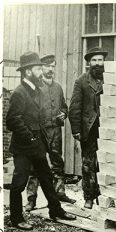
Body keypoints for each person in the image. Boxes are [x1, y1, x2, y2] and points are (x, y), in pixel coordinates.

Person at [6, 51, 76, 231]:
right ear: (28, 72)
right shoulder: (19, 93)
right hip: (23, 147)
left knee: (46, 178)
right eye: (38, 69)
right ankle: (16, 218)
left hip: (37, 144)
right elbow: (13, 120)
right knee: (19, 183)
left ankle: (55, 210)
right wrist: (30, 136)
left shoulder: (36, 90)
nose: (41, 72)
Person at [25, 54, 76, 212]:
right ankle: (31, 199)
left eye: (53, 66)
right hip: (40, 131)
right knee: (35, 165)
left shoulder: (58, 87)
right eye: (47, 66)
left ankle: (59, 192)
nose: (50, 69)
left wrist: (63, 113)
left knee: (57, 163)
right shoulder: (35, 87)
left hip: (55, 131)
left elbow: (64, 107)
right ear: (41, 68)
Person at [69, 47, 107, 209]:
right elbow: (74, 108)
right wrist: (76, 130)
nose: (98, 63)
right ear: (89, 63)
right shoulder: (82, 81)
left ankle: (105, 196)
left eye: (100, 60)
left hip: (107, 127)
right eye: (94, 60)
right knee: (88, 164)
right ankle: (89, 197)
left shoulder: (110, 78)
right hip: (89, 128)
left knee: (106, 163)